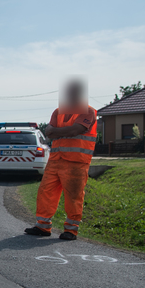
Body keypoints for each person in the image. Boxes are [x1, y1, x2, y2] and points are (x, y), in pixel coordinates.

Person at [24, 79, 97, 241]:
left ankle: (71, 230)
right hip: (56, 161)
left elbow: (75, 130)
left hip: (76, 163)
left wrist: (58, 131)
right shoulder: (58, 112)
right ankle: (42, 226)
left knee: (73, 196)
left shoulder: (89, 112)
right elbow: (49, 132)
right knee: (45, 192)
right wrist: (62, 131)